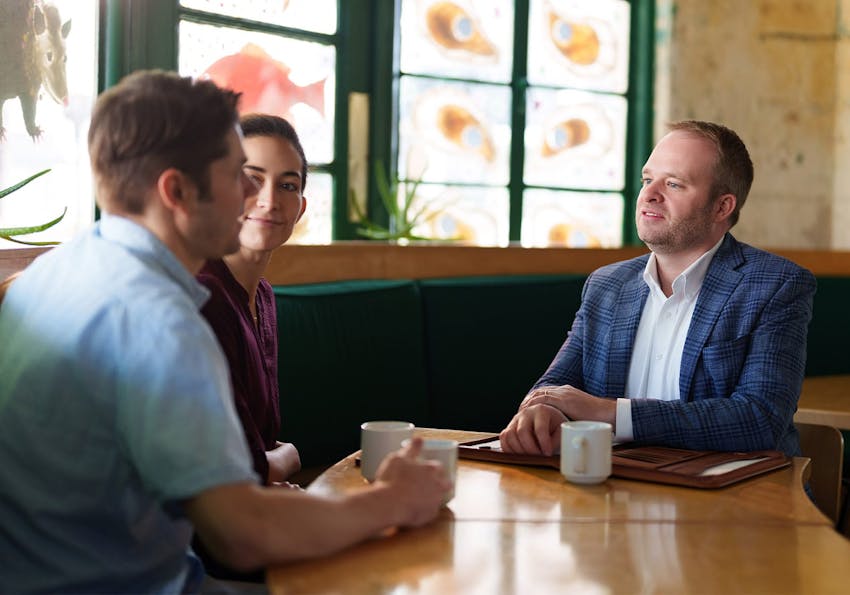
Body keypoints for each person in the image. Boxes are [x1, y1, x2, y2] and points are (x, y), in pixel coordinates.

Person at [0, 70, 450, 594]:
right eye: (237, 173)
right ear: (177, 190)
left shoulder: (51, 273)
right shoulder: (162, 323)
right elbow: (244, 534)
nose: (252, 196)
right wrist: (394, 500)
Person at [499, 120, 816, 459]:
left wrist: (612, 413)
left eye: (675, 184)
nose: (649, 194)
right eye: (648, 180)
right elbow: (555, 386)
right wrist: (543, 411)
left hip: (736, 495)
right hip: (613, 487)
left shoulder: (775, 285)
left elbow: (759, 420)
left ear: (722, 207)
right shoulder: (607, 285)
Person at [197, 114, 307, 489]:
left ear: (301, 208)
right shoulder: (203, 296)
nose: (269, 200)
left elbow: (255, 448)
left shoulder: (262, 296)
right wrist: (290, 456)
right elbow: (242, 467)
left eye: (287, 185)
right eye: (251, 179)